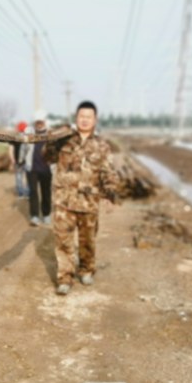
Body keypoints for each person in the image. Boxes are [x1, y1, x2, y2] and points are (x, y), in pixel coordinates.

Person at [44, 100, 119, 295]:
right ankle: (65, 277)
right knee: (63, 241)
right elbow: (47, 158)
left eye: (88, 117)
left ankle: (86, 269)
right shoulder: (63, 140)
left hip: (89, 201)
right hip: (64, 200)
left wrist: (110, 194)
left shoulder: (102, 145)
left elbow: (108, 172)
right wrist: (50, 140)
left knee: (88, 241)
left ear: (95, 120)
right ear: (76, 118)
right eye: (81, 116)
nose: (84, 120)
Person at [23, 116, 52, 226]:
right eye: (37, 122)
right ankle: (34, 216)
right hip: (32, 168)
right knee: (33, 192)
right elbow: (23, 148)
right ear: (34, 122)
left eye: (41, 122)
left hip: (46, 168)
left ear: (44, 122)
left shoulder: (50, 134)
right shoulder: (29, 132)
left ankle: (46, 214)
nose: (39, 124)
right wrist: (21, 160)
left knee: (46, 192)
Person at [8, 121, 29, 198]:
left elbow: (10, 150)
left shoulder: (14, 138)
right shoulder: (29, 137)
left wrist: (12, 160)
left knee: (19, 177)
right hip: (28, 161)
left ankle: (21, 193)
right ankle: (27, 193)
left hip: (18, 161)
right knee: (28, 178)